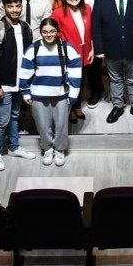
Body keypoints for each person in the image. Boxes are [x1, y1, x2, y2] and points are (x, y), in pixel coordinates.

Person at [0, 0, 37, 171]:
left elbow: (30, 55)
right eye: (10, 6)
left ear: (21, 7)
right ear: (3, 7)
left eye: (17, 6)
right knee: (2, 120)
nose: (14, 10)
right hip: (3, 85)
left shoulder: (26, 27)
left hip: (20, 83)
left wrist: (28, 82)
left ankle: (13, 147)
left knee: (15, 116)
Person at [19, 18, 82, 167]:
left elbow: (75, 73)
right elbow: (25, 72)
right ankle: (47, 148)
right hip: (38, 94)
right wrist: (26, 93)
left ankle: (59, 149)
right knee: (42, 124)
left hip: (61, 94)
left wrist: (73, 95)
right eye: (45, 32)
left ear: (58, 32)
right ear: (40, 32)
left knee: (61, 125)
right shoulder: (33, 48)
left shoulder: (67, 48)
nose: (49, 35)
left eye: (52, 31)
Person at [51, 0, 93, 123]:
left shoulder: (87, 8)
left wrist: (92, 49)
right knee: (69, 83)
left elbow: (92, 31)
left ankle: (77, 106)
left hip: (86, 53)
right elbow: (55, 34)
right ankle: (69, 109)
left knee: (81, 82)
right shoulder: (57, 13)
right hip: (68, 55)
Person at [77, 0, 113, 108]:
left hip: (113, 29)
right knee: (93, 64)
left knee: (115, 63)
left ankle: (116, 93)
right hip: (91, 29)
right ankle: (97, 91)